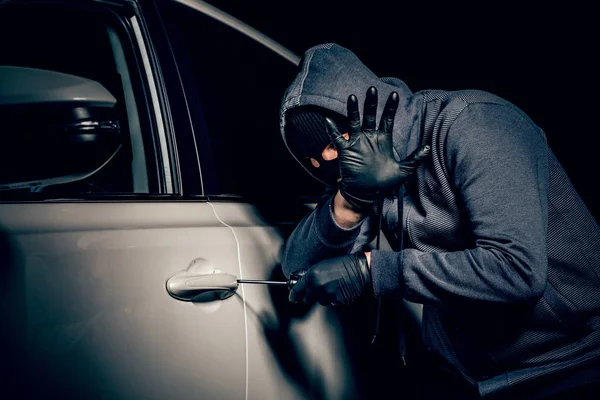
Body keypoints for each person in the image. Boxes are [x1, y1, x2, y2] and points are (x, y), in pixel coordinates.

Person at [279, 43, 600, 399]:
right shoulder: (364, 170)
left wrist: (374, 271)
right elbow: (298, 265)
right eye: (310, 155)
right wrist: (351, 201)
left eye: (328, 138)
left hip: (572, 362)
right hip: (474, 375)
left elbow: (518, 270)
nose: (324, 157)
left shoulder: (476, 123)